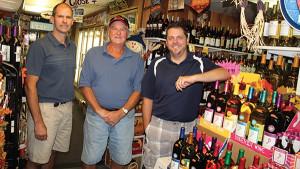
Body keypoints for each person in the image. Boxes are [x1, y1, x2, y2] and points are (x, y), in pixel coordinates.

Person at [141, 22, 230, 169]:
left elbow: (224, 74)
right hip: (159, 127)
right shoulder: (157, 64)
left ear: (187, 40)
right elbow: (147, 98)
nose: (175, 42)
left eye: (179, 37)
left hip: (188, 129)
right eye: (171, 38)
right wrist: (147, 129)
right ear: (166, 41)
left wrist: (194, 78)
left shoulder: (199, 63)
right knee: (153, 166)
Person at [79, 15, 144, 169]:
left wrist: (121, 112)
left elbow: (138, 90)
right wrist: (100, 111)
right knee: (90, 160)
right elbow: (84, 85)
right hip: (96, 116)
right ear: (108, 31)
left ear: (127, 34)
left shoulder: (136, 60)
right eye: (115, 28)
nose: (118, 32)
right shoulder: (93, 54)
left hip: (125, 118)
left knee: (120, 160)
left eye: (123, 29)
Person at [24, 3, 76, 169]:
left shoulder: (73, 46)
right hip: (45, 110)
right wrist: (38, 121)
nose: (64, 20)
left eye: (68, 17)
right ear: (52, 19)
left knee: (53, 152)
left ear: (72, 21)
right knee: (36, 158)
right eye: (60, 16)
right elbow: (29, 86)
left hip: (67, 109)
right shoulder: (39, 47)